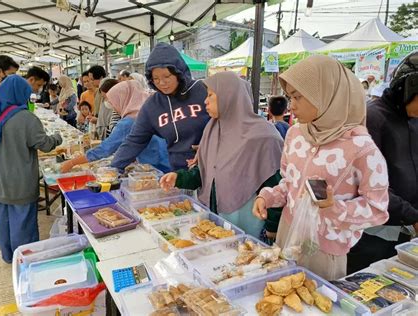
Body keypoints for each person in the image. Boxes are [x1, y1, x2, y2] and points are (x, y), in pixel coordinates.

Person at [253, 55, 390, 280]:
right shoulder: (296, 134)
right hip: (287, 234)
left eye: (298, 97)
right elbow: (289, 182)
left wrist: (335, 209)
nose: (292, 105)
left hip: (326, 249)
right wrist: (267, 197)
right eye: (290, 97)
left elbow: (377, 209)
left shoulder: (361, 148)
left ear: (327, 95)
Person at [160, 72, 283, 238]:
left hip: (250, 229)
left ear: (229, 96)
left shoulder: (262, 136)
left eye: (211, 95)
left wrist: (273, 230)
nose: (205, 101)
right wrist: (179, 178)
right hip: (216, 226)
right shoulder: (213, 130)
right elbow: (205, 174)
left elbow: (275, 187)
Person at [0, 75, 62, 263]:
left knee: (1, 220)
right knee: (22, 222)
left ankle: (7, 256)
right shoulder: (26, 118)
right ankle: (24, 260)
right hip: (19, 180)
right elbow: (44, 144)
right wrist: (57, 137)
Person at [347, 52, 418, 274]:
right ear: (406, 89)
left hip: (405, 229)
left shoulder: (413, 119)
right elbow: (369, 184)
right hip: (373, 233)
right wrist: (412, 215)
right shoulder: (373, 118)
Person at [111, 43, 210, 171]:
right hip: (178, 174)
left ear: (178, 73)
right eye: (156, 78)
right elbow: (135, 140)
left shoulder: (203, 90)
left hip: (210, 168)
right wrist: (113, 169)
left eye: (167, 77)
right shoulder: (152, 106)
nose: (162, 83)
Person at [61, 80, 171, 173]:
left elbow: (105, 149)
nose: (113, 106)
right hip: (170, 162)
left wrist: (72, 162)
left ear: (123, 99)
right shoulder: (151, 110)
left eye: (113, 102)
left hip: (157, 167)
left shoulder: (129, 121)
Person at [88, 65, 110, 139]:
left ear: (101, 78)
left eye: (92, 79)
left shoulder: (108, 92)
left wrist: (98, 120)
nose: (90, 82)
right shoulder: (97, 91)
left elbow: (109, 116)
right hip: (99, 129)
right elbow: (98, 110)